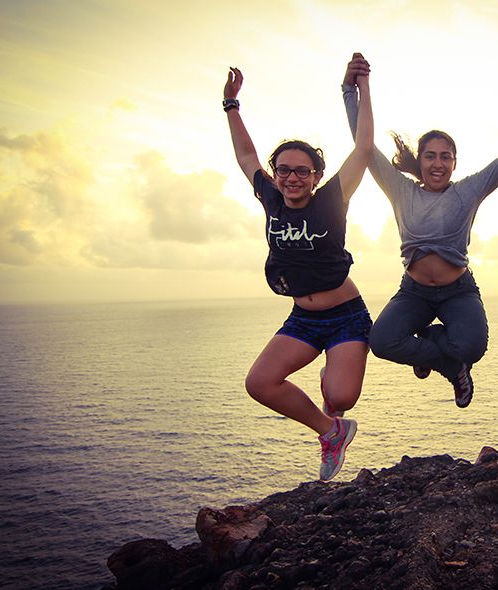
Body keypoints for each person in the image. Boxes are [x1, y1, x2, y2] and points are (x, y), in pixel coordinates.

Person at [342, 54, 498, 408]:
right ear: (421, 160)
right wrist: (351, 90)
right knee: (382, 342)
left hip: (457, 291)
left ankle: (431, 349)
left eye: (446, 156)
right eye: (430, 156)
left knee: (473, 347)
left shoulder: (468, 191)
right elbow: (363, 145)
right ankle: (445, 362)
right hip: (413, 292)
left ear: (454, 163)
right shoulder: (401, 190)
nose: (438, 163)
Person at [223, 55, 374, 482]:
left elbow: (363, 148)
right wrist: (231, 106)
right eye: (284, 170)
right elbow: (246, 155)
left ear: (316, 175)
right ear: (276, 174)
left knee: (342, 394)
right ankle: (331, 431)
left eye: (301, 171)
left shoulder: (332, 199)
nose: (291, 178)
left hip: (346, 316)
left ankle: (334, 383)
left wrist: (362, 87)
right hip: (304, 318)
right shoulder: (270, 198)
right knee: (260, 383)